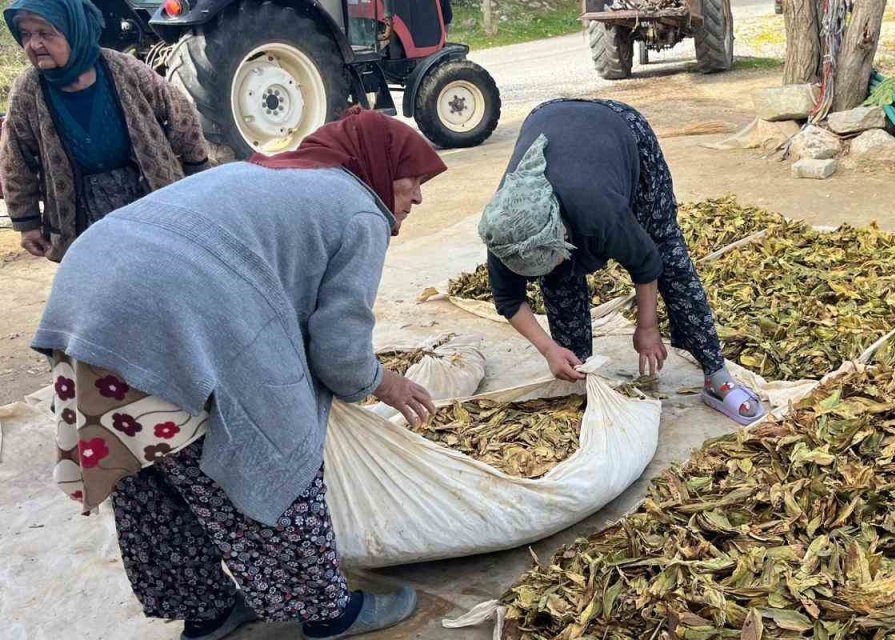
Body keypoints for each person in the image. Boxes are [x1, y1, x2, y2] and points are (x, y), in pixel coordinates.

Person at [29, 108, 444, 640]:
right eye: (414, 180)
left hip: (84, 312)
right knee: (258, 454)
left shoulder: (271, 171)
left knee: (151, 474)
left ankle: (208, 611)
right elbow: (339, 351)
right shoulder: (360, 210)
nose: (418, 197)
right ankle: (327, 613)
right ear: (382, 167)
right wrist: (383, 383)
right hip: (161, 318)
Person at [478, 98, 765, 426]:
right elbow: (509, 299)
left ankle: (717, 376)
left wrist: (647, 327)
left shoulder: (599, 211)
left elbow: (646, 262)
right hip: (549, 120)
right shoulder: (505, 229)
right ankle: (583, 374)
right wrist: (548, 349)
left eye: (554, 256)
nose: (554, 266)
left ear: (563, 230)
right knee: (559, 280)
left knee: (669, 254)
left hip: (622, 129)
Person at [2, 0, 211, 262]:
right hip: (80, 214)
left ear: (74, 30)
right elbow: (15, 160)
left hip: (145, 197)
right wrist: (27, 223)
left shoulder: (123, 69)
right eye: (26, 34)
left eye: (45, 33)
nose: (33, 44)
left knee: (160, 270)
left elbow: (181, 117)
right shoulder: (28, 90)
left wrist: (198, 180)